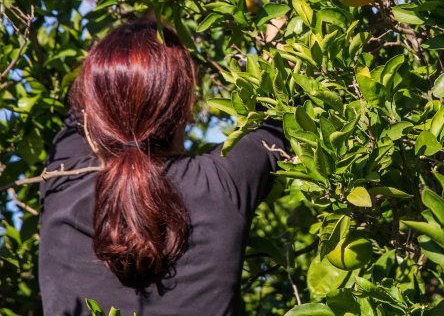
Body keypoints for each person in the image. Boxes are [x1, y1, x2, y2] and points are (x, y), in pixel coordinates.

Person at [39, 19, 287, 316]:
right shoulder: (222, 183)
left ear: (93, 110)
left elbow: (81, 112)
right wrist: (274, 26)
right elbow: (280, 111)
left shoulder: (61, 183)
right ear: (186, 107)